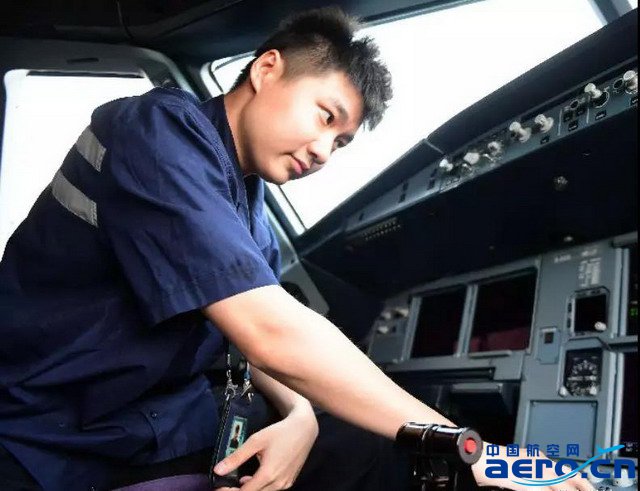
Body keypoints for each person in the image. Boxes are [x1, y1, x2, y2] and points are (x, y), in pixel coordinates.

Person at [0, 7, 595, 491]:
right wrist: (475, 453)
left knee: (366, 448)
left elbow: (246, 338)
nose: (323, 151)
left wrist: (301, 414)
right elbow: (270, 332)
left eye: (341, 142)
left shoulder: (249, 207)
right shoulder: (155, 132)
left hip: (152, 416)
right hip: (49, 431)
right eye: (325, 116)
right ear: (267, 68)